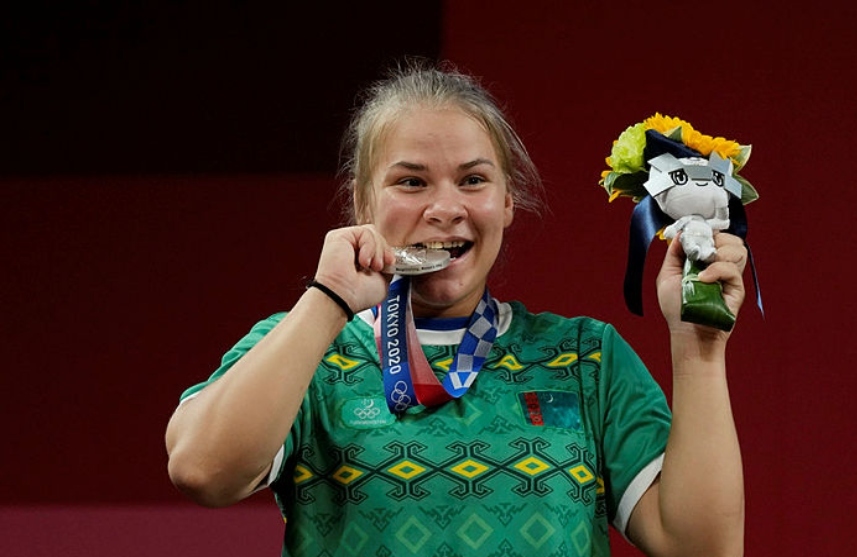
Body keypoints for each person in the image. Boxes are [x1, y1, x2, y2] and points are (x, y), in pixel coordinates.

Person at [165, 59, 747, 557]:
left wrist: (699, 347)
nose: (446, 207)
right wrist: (328, 301)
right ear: (363, 203)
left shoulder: (584, 359)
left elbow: (702, 548)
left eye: (472, 180)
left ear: (507, 202)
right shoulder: (307, 349)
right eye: (411, 182)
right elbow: (202, 471)